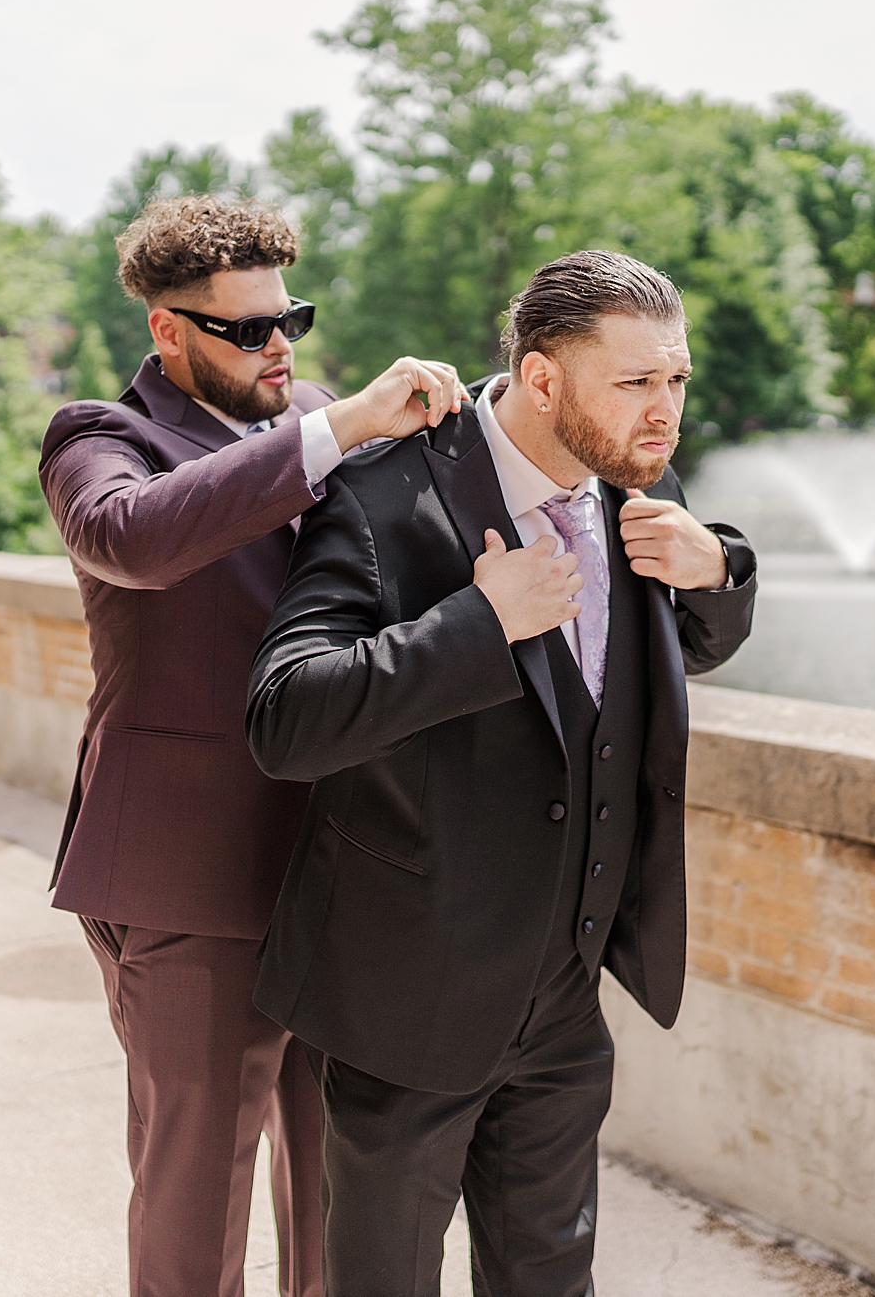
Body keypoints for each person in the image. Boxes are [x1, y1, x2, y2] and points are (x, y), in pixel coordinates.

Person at [246, 249, 758, 1295]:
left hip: (566, 1004)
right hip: (406, 1004)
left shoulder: (628, 477)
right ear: (540, 378)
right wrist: (477, 623)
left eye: (676, 380)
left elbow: (667, 652)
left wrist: (719, 568)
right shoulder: (385, 492)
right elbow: (284, 717)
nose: (662, 411)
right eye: (634, 382)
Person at [37, 194, 467, 1297]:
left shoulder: (318, 406)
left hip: (340, 863)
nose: (278, 346)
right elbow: (132, 541)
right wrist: (331, 431)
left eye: (291, 318)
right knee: (197, 1194)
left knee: (339, 1184)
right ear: (167, 331)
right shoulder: (100, 437)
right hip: (185, 872)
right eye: (244, 329)